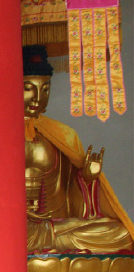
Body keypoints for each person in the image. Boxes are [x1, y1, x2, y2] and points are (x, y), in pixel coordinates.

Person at [22, 45, 133, 254]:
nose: (38, 97)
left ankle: (56, 243)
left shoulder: (59, 133)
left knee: (121, 233)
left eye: (45, 89)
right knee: (8, 239)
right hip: (14, 228)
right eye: (29, 88)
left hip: (56, 222)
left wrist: (86, 178)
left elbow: (70, 193)